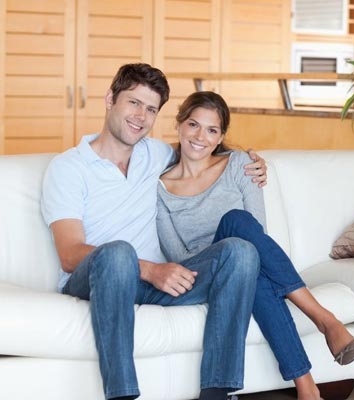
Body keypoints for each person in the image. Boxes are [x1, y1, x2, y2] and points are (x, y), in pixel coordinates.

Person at [41, 64, 268, 400]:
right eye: (134, 103)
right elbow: (70, 254)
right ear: (110, 99)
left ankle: (218, 393)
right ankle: (121, 395)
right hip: (100, 279)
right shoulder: (68, 168)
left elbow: (202, 148)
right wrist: (149, 268)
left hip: (159, 284)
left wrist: (250, 162)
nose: (141, 116)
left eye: (150, 109)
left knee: (240, 251)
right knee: (118, 253)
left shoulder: (158, 154)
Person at [156, 91, 354, 400]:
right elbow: (177, 256)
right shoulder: (161, 186)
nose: (200, 136)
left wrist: (236, 255)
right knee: (237, 232)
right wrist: (222, 254)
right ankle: (325, 320)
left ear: (220, 137)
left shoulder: (240, 164)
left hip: (244, 260)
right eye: (193, 125)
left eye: (211, 130)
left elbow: (258, 233)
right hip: (200, 271)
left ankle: (307, 388)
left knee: (243, 243)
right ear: (179, 126)